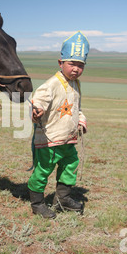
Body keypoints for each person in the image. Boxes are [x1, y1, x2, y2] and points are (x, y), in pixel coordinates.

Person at [28, 31, 89, 219]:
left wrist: (81, 120)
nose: (76, 69)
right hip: (50, 139)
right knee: (43, 170)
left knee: (70, 165)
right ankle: (37, 203)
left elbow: (75, 108)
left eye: (80, 65)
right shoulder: (52, 84)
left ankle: (62, 199)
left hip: (68, 139)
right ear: (60, 63)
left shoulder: (75, 84)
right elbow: (38, 100)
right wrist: (37, 110)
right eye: (72, 64)